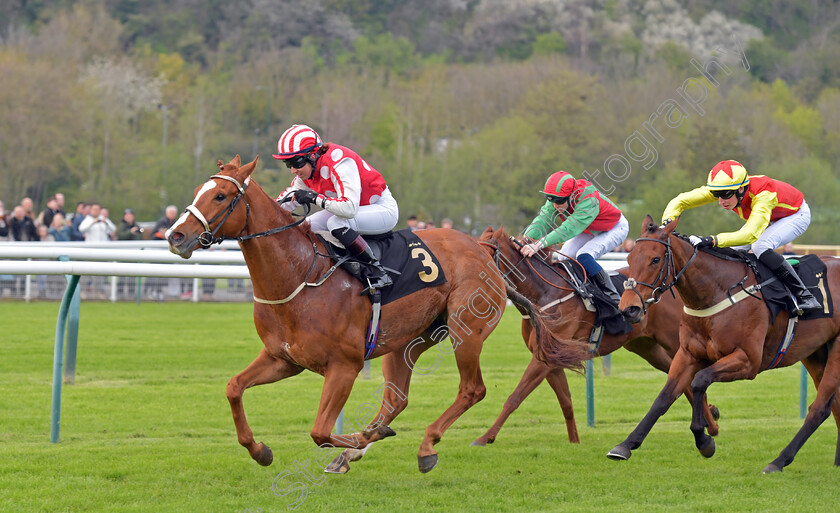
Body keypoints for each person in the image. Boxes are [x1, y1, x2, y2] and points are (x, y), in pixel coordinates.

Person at [662, 159, 820, 313]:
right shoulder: (727, 187)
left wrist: (710, 240)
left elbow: (750, 235)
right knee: (728, 250)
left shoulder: (763, 194)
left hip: (795, 215)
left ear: (741, 189)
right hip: (767, 217)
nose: (720, 201)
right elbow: (680, 201)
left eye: (725, 194)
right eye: (717, 195)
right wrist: (666, 224)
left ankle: (805, 296)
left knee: (760, 246)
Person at [272, 124, 399, 294]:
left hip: (381, 209)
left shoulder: (340, 161)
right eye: (289, 164)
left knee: (336, 222)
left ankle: (375, 272)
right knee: (308, 226)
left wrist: (314, 198)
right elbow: (284, 202)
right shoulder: (308, 172)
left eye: (296, 163)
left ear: (312, 155)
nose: (293, 170)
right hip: (355, 211)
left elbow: (349, 208)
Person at [520, 170, 629, 305]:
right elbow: (543, 219)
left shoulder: (587, 200)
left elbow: (569, 229)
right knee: (563, 257)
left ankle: (613, 298)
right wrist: (525, 239)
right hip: (590, 228)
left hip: (614, 227)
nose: (555, 205)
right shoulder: (558, 197)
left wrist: (538, 245)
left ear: (571, 195)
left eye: (559, 201)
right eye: (551, 199)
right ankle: (576, 295)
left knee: (583, 255)